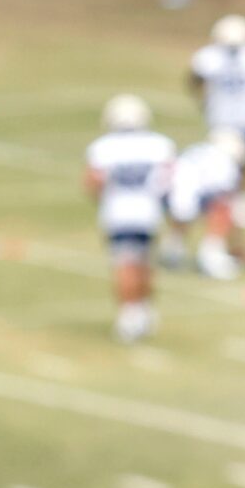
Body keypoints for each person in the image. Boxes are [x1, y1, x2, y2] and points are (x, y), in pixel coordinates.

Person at [84, 95, 175, 344]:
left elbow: (93, 183)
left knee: (125, 263)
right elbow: (169, 182)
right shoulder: (160, 145)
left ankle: (129, 315)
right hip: (148, 212)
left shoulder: (103, 147)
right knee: (145, 262)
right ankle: (143, 310)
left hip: (119, 213)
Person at [187, 14, 245, 188]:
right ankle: (241, 203)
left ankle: (227, 204)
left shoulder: (209, 57)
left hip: (220, 119)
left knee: (219, 169)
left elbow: (194, 81)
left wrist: (204, 101)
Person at [163, 131, 245, 282]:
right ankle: (211, 255)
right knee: (223, 207)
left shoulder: (198, 150)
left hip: (167, 194)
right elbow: (224, 201)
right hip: (188, 195)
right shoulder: (226, 163)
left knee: (185, 205)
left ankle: (173, 249)